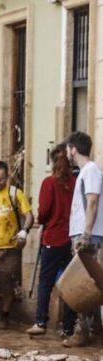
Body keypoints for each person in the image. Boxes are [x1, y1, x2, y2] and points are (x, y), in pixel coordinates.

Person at [27, 144, 77, 336]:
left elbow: (44, 211)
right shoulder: (75, 182)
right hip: (71, 239)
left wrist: (41, 220)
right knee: (70, 283)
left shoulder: (49, 183)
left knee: (45, 281)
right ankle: (69, 327)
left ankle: (41, 322)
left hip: (53, 238)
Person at [0, 161, 33, 329]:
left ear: (7, 177)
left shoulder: (15, 194)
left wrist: (24, 230)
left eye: (0, 179)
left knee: (7, 287)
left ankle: (4, 317)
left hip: (11, 250)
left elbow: (29, 215)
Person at [64, 131, 103, 347]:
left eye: (67, 150)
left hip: (87, 235)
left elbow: (92, 201)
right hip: (84, 233)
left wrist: (86, 234)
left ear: (73, 150)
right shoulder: (87, 171)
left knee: (83, 284)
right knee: (90, 283)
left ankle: (82, 331)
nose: (67, 154)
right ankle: (95, 326)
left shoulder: (90, 170)